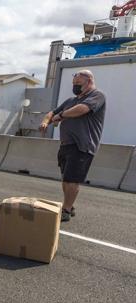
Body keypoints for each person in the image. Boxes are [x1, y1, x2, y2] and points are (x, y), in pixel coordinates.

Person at [39, 70, 106, 222]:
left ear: (89, 81)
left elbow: (82, 109)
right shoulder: (70, 101)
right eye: (74, 84)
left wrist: (61, 116)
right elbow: (52, 112)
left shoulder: (97, 95)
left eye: (78, 84)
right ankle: (70, 205)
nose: (75, 86)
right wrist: (46, 121)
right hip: (66, 145)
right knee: (66, 178)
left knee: (72, 180)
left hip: (82, 145)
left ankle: (67, 210)